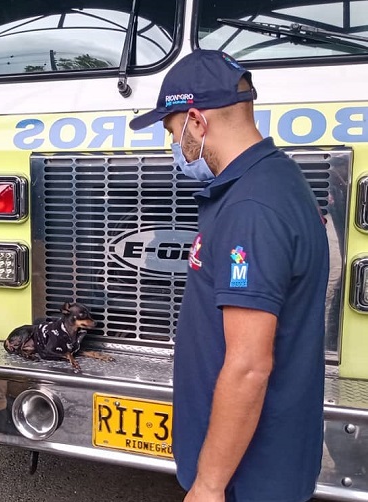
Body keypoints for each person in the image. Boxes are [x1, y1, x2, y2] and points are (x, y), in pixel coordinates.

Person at [129, 50, 329, 502]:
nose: (174, 147)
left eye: (173, 131)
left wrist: (209, 484)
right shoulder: (274, 180)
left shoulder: (251, 210)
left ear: (198, 122)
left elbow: (249, 366)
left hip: (250, 477)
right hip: (258, 465)